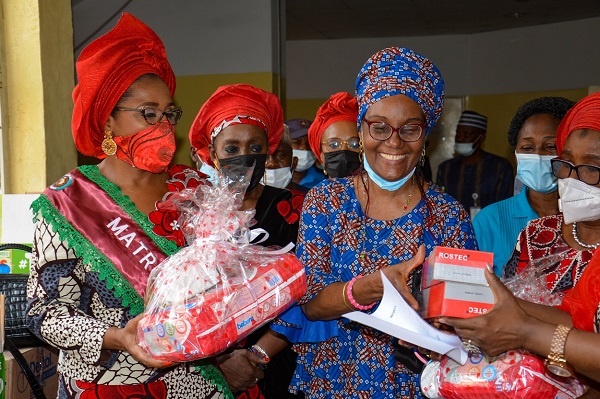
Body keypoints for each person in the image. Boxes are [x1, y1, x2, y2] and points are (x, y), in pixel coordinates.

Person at [26, 13, 232, 398]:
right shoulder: (68, 201)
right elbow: (46, 314)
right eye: (148, 114)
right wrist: (117, 337)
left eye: (169, 113)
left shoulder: (195, 189)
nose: (165, 126)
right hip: (103, 384)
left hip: (194, 382)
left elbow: (225, 283)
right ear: (108, 122)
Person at [286, 47, 477, 398]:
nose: (393, 141)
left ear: (425, 138)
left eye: (410, 129)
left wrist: (440, 326)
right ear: (361, 131)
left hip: (412, 384)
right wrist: (372, 286)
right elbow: (311, 305)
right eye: (379, 127)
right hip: (332, 379)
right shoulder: (326, 201)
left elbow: (466, 320)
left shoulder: (448, 215)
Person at [442, 91, 600, 385]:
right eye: (566, 164)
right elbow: (522, 306)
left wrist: (526, 330)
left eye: (591, 168)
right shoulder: (537, 234)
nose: (574, 179)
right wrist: (450, 312)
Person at [189, 83, 304, 399]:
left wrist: (258, 354)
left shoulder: (295, 209)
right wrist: (218, 360)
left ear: (268, 152)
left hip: (276, 362)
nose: (245, 158)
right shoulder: (193, 212)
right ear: (213, 154)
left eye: (255, 148)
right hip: (207, 366)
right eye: (231, 149)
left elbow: (310, 291)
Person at [473, 97, 575, 276]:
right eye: (527, 148)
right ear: (516, 155)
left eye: (550, 146)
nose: (538, 155)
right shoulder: (490, 221)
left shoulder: (587, 220)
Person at [436, 110, 514, 214]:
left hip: (489, 228)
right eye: (458, 133)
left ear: (480, 138)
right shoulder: (446, 168)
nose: (460, 137)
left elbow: (505, 207)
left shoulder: (500, 167)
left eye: (467, 134)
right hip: (454, 228)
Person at [307, 92, 362, 178]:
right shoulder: (317, 192)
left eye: (354, 144)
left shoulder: (379, 191)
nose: (344, 150)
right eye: (334, 145)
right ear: (321, 155)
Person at [263, 124, 309, 193]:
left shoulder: (309, 199)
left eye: (280, 156)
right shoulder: (243, 200)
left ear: (294, 163)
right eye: (264, 157)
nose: (271, 164)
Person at [287, 118, 326, 189]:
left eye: (309, 144)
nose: (304, 148)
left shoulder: (324, 181)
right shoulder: (271, 179)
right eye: (296, 143)